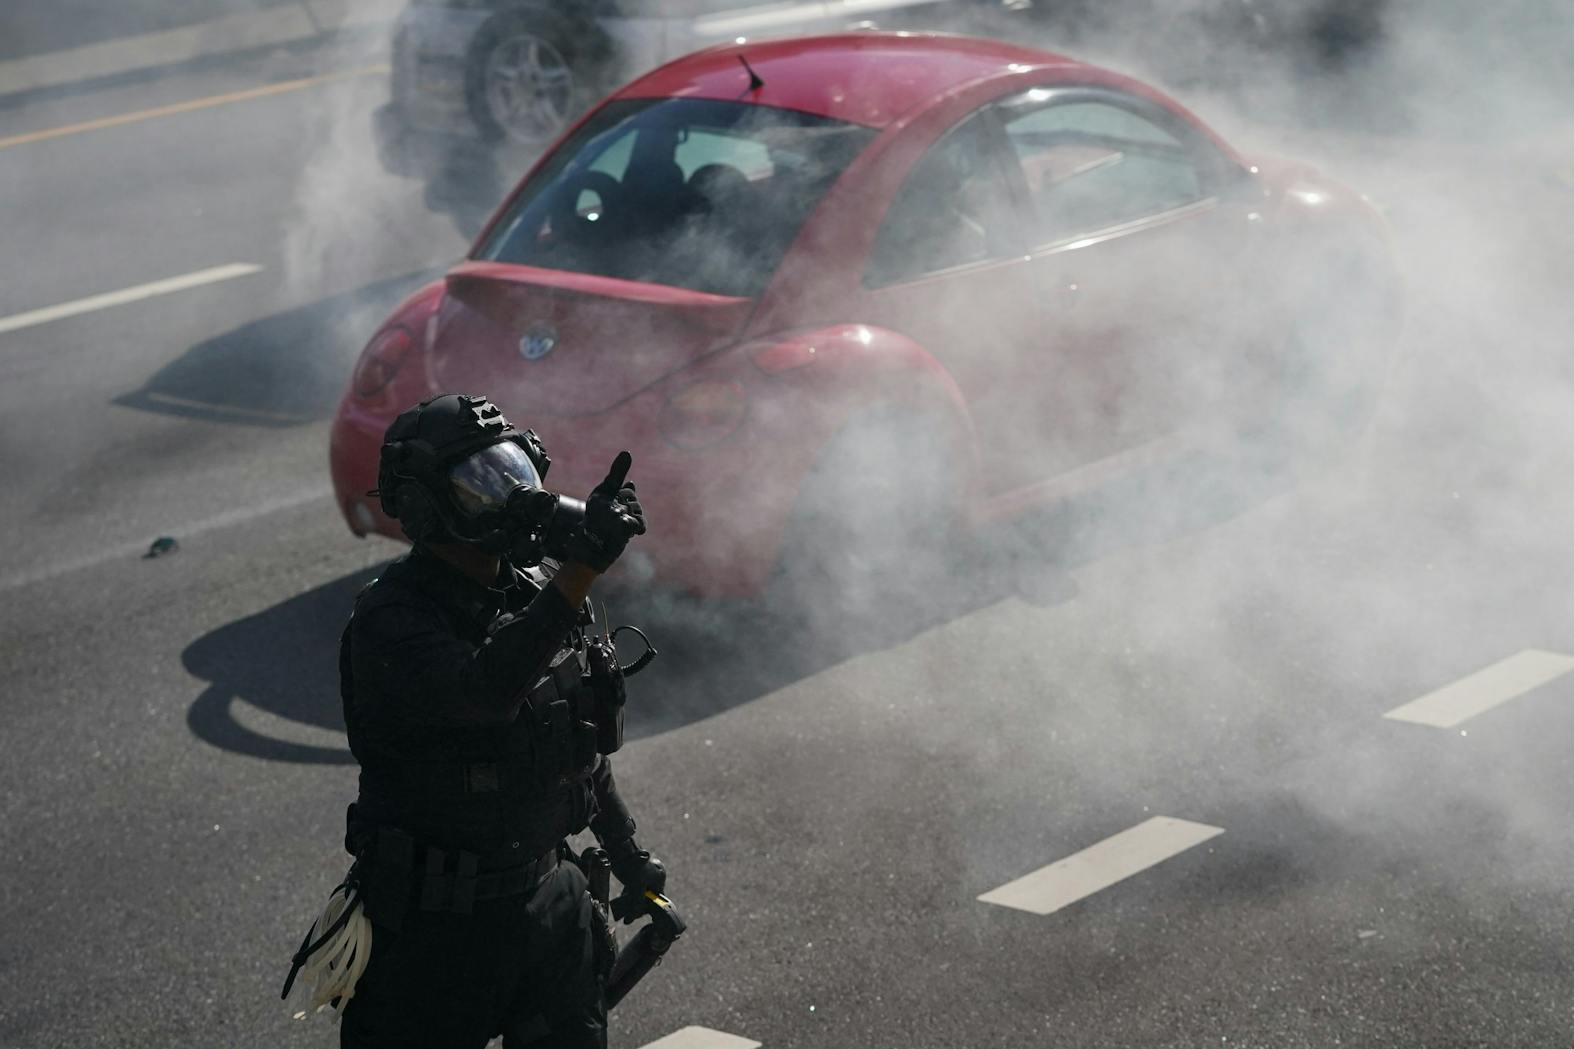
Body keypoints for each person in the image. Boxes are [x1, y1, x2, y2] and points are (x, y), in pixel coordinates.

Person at [333, 393, 666, 1048]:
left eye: (513, 473)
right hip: (433, 935)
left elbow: (580, 752)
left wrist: (630, 858)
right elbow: (484, 692)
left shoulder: (538, 585)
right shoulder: (391, 622)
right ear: (428, 509)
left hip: (550, 904)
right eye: (480, 486)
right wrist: (574, 578)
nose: (510, 498)